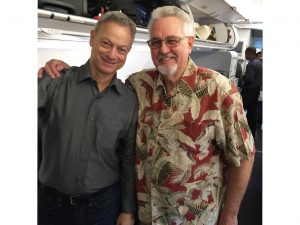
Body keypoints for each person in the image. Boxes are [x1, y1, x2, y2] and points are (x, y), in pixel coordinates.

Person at [39, 6, 255, 225]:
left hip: (193, 218)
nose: (163, 50)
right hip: (146, 217)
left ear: (189, 43)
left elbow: (244, 155)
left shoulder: (218, 90)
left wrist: (230, 214)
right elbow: (99, 89)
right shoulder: (138, 85)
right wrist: (68, 74)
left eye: (172, 41)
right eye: (155, 42)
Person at [38, 11, 138, 225]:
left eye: (121, 49)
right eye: (106, 43)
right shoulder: (54, 81)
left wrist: (128, 210)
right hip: (50, 204)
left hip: (103, 207)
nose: (112, 55)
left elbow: (127, 158)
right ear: (92, 39)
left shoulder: (129, 100)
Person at [241, 47, 263, 138]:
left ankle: (240, 132)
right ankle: (251, 134)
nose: (245, 56)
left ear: (250, 53)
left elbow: (249, 79)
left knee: (239, 110)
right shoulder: (259, 63)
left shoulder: (250, 64)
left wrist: (243, 77)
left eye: (246, 53)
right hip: (255, 92)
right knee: (252, 114)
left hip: (248, 92)